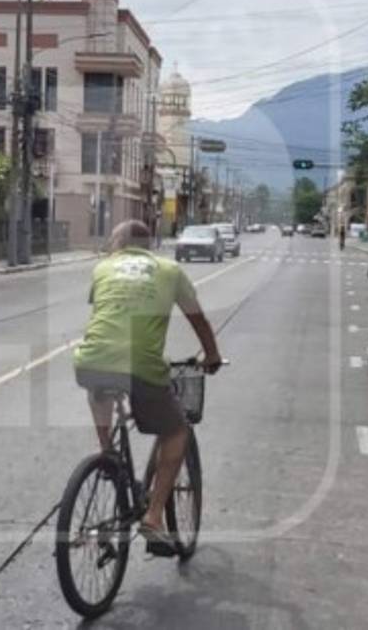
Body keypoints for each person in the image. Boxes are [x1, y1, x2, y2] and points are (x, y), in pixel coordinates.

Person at [73, 220, 224, 557]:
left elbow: (107, 315)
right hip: (141, 365)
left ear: (118, 244)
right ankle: (154, 518)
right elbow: (198, 320)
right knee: (176, 430)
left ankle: (107, 454)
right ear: (150, 244)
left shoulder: (103, 268)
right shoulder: (169, 270)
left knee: (98, 381)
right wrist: (212, 355)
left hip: (91, 359)